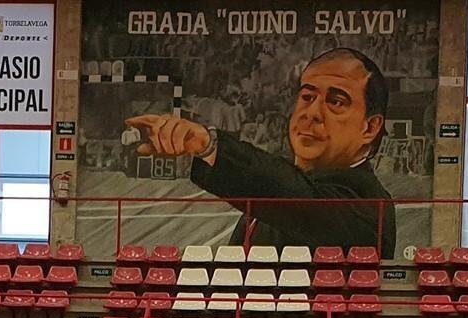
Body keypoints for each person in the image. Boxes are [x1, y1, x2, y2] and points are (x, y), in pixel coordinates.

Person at [122, 48, 396, 257]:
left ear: (370, 127)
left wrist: (208, 144)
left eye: (336, 102)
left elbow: (298, 199)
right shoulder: (276, 188)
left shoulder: (369, 206)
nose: (312, 112)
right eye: (307, 97)